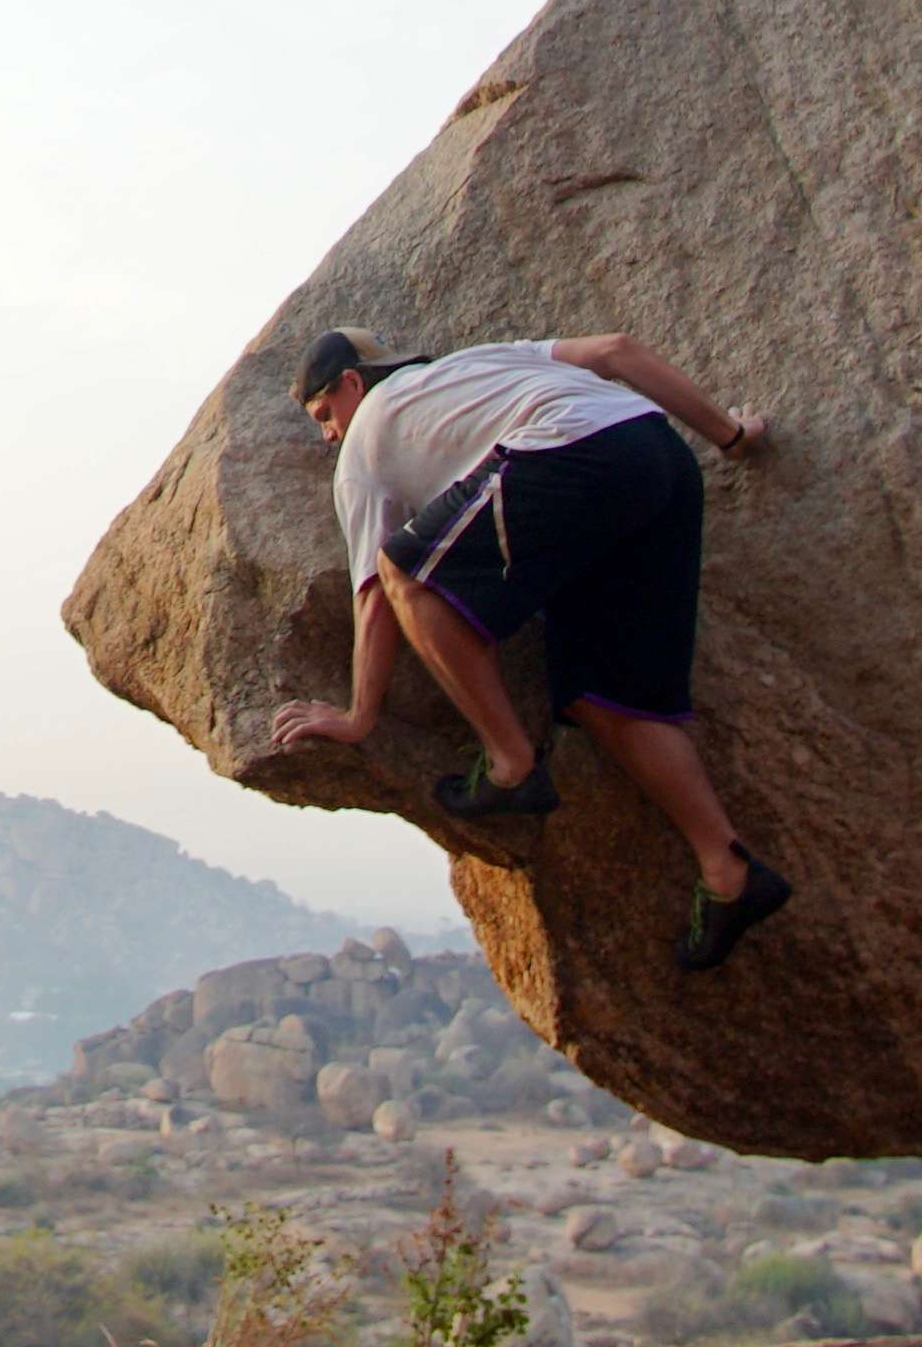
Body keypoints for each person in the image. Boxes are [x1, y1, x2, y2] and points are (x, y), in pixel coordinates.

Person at [262, 325, 796, 972]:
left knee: (408, 570)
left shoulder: (364, 444)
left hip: (565, 456)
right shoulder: (484, 361)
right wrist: (731, 437)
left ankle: (510, 762)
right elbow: (616, 351)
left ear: (353, 383)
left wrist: (357, 718)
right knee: (605, 697)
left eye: (324, 415)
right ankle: (727, 869)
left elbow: (376, 591)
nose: (327, 435)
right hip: (659, 460)